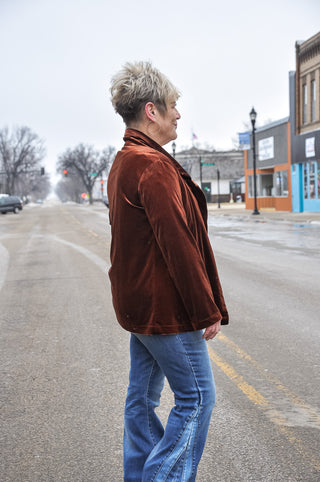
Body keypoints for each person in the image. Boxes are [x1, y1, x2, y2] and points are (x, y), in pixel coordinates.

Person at [108, 61, 229, 481]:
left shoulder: (126, 160)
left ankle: (140, 474)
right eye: (173, 105)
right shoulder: (153, 166)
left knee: (141, 399)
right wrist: (206, 309)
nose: (179, 113)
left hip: (141, 310)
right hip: (166, 311)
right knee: (197, 399)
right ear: (151, 110)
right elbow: (177, 246)